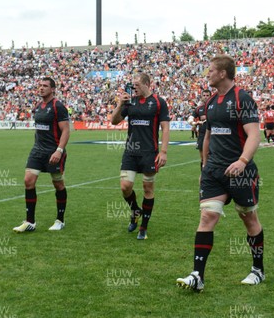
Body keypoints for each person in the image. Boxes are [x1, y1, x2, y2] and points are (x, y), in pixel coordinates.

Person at [176, 55, 264, 292]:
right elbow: (207, 135)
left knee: (249, 219)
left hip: (240, 172)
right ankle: (197, 275)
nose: (208, 75)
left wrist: (243, 161)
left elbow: (254, 135)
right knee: (207, 217)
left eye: (211, 71)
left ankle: (258, 270)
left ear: (223, 73)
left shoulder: (242, 99)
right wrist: (203, 166)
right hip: (213, 171)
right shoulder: (210, 102)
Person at [111, 73, 170, 240]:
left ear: (146, 84)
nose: (133, 87)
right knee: (125, 186)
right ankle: (135, 210)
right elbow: (114, 121)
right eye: (132, 84)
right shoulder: (129, 101)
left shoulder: (159, 102)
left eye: (136, 84)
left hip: (149, 152)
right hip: (130, 151)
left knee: (147, 188)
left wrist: (163, 151)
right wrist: (120, 104)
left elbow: (165, 127)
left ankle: (143, 227)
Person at [13, 77, 70, 233]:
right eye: (39, 85)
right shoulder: (37, 106)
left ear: (52, 89)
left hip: (54, 151)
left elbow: (66, 130)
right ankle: (30, 222)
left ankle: (60, 220)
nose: (41, 88)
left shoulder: (58, 106)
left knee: (58, 184)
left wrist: (59, 150)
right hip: (37, 151)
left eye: (45, 86)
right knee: (28, 180)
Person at [193, 89, 212, 170]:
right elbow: (192, 118)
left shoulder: (214, 107)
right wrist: (193, 124)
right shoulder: (198, 108)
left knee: (212, 157)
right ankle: (204, 176)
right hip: (202, 135)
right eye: (204, 95)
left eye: (207, 95)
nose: (205, 97)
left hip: (213, 135)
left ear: (211, 96)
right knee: (203, 158)